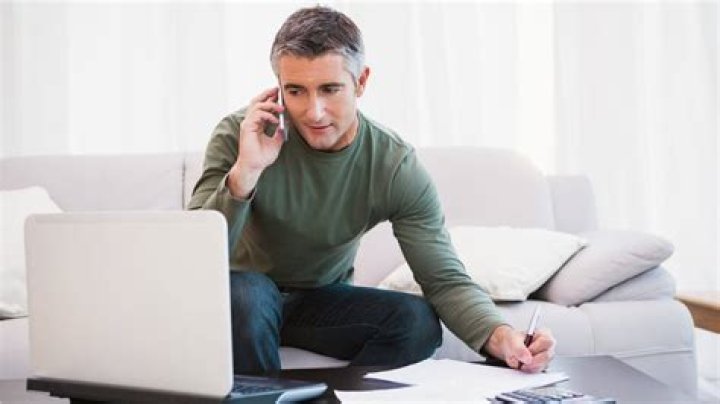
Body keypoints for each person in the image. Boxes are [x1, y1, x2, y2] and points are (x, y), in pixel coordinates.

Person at [188, 5, 555, 374]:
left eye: (330, 89)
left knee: (417, 322)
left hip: (318, 301)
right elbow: (193, 259)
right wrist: (246, 171)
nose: (314, 112)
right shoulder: (240, 135)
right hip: (239, 301)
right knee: (248, 296)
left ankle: (341, 397)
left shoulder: (392, 164)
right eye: (295, 91)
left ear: (361, 81)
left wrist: (502, 336)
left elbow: (443, 279)